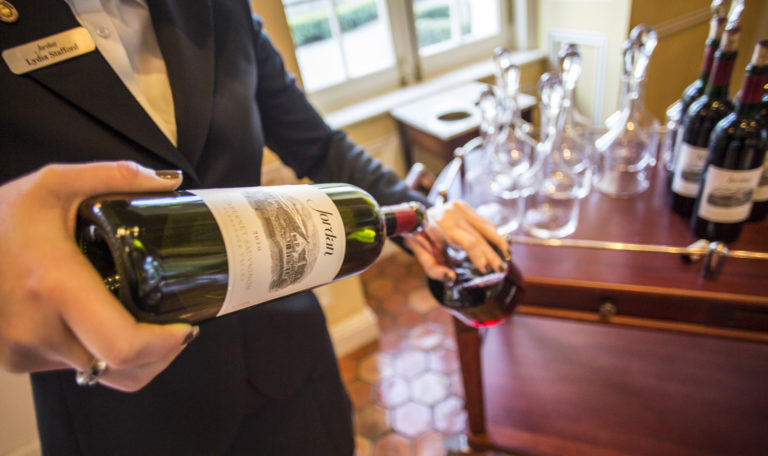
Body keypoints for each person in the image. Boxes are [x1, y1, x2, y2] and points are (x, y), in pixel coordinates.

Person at [0, 0, 508, 454]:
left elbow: (319, 145)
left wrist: (420, 211)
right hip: (130, 413)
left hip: (286, 362)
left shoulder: (219, 10)